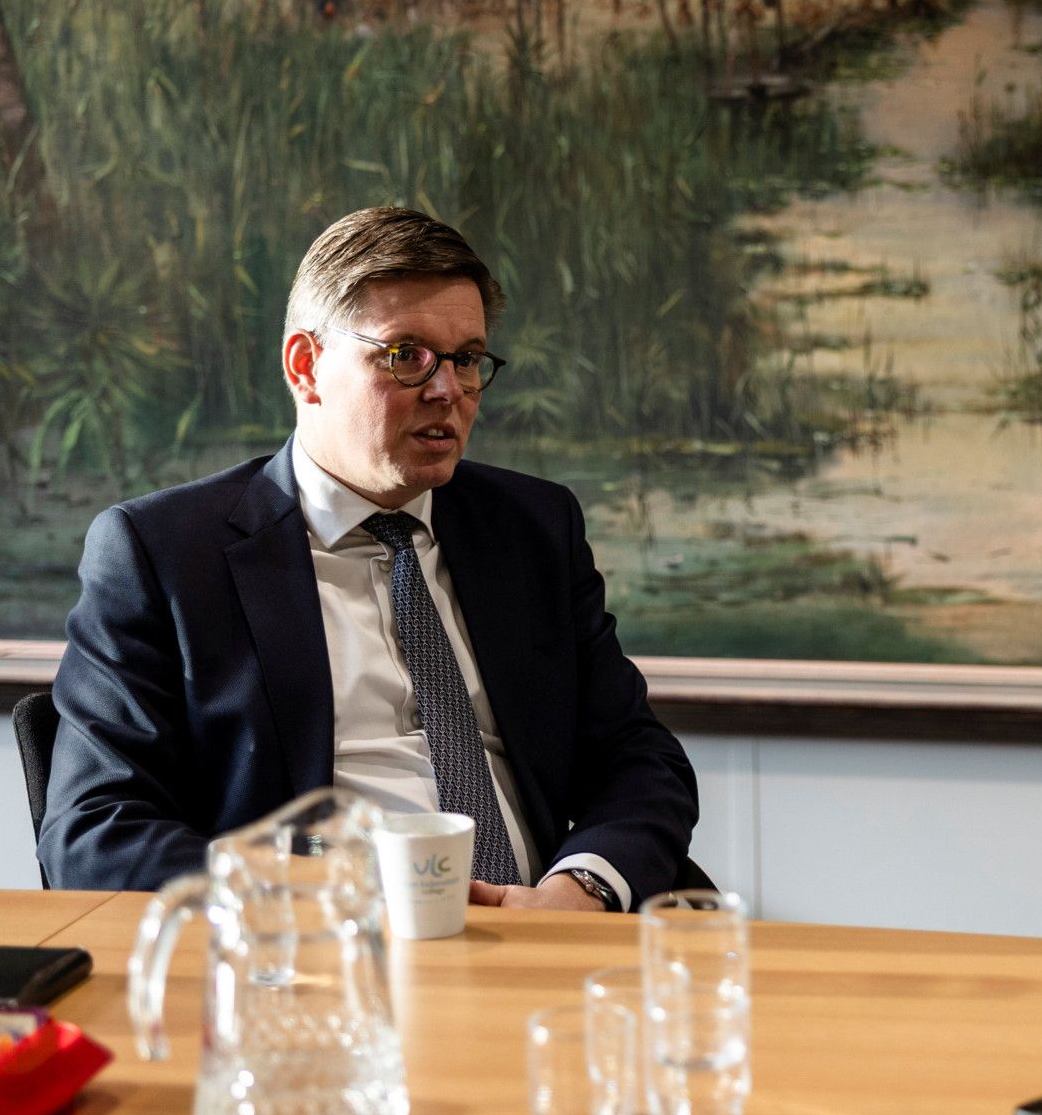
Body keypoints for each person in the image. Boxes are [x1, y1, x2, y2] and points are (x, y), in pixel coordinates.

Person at [40, 207, 700, 912]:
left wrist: (583, 887)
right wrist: (322, 904)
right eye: (405, 355)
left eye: (468, 358)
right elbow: (94, 828)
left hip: (543, 937)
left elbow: (640, 758)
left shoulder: (533, 527)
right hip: (317, 967)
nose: (447, 389)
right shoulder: (165, 554)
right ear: (306, 366)